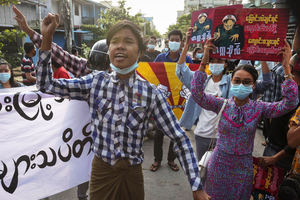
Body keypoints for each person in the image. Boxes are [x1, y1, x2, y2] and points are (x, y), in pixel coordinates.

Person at [36, 13, 210, 200]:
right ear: (109, 49)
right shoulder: (95, 82)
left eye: (128, 41)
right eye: (115, 41)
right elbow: (46, 85)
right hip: (101, 173)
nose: (120, 46)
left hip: (132, 175)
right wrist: (46, 39)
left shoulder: (151, 93)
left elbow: (179, 138)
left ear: (140, 52)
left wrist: (196, 185)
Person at [190, 38, 298, 199]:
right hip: (218, 164)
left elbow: (290, 102)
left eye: (247, 82)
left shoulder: (260, 108)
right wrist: (204, 59)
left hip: (243, 169)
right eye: (237, 81)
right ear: (231, 82)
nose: (241, 85)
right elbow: (197, 93)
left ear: (254, 85)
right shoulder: (222, 104)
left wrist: (286, 68)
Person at [177, 29, 273, 162]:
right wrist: (187, 43)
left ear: (226, 64)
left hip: (224, 138)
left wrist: (257, 51)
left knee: (220, 172)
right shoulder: (199, 79)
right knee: (203, 170)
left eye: (220, 60)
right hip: (201, 134)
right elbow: (181, 70)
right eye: (213, 60)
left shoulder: (233, 82)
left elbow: (266, 83)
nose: (216, 63)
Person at [149, 29, 193, 173]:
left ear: (181, 42)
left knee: (176, 133)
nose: (174, 42)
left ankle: (171, 159)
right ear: (168, 42)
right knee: (158, 133)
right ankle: (157, 159)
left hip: (179, 103)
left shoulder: (187, 60)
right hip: (161, 102)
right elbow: (151, 74)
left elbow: (193, 77)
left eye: (177, 40)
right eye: (172, 40)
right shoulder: (161, 57)